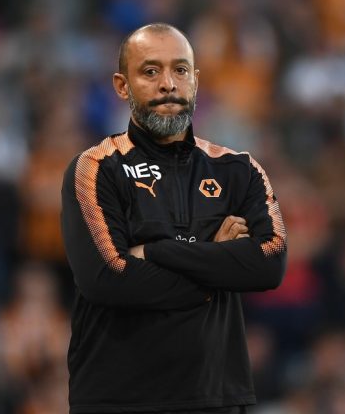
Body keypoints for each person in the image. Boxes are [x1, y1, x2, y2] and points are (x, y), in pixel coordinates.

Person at [60, 23, 287, 413]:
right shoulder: (96, 167)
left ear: (195, 81)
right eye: (150, 71)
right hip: (117, 398)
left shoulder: (240, 170)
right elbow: (107, 279)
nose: (168, 84)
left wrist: (154, 252)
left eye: (180, 70)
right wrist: (215, 263)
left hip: (217, 397)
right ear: (122, 86)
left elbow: (268, 264)